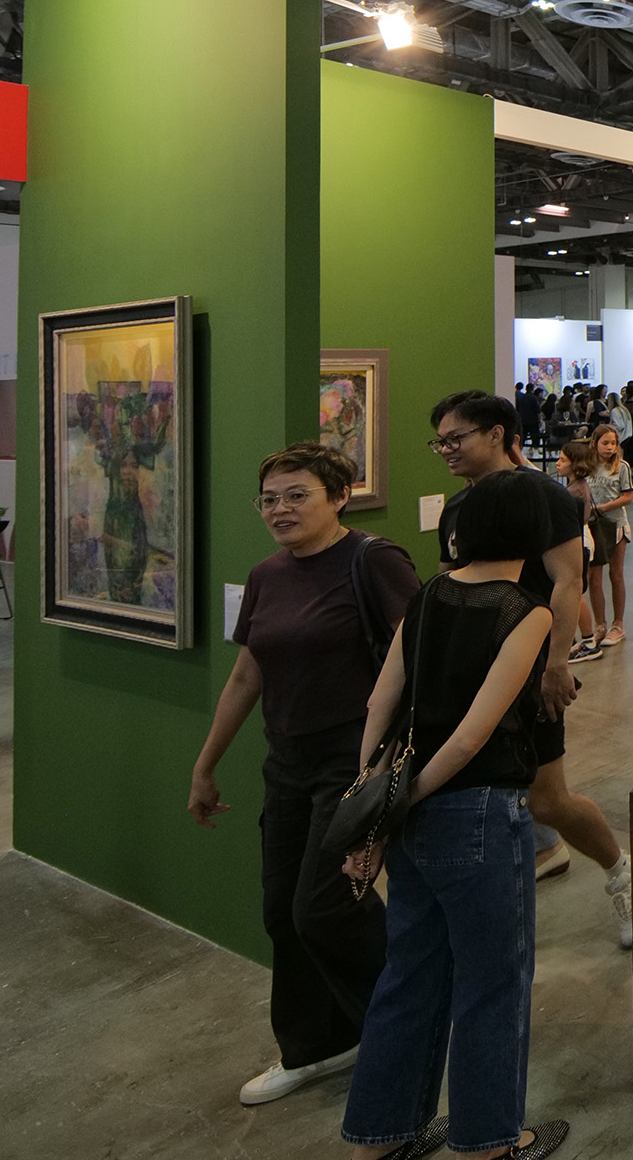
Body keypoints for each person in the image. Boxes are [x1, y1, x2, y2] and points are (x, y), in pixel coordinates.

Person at [339, 470, 570, 1160]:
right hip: (479, 811)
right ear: (533, 533)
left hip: (411, 819)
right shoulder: (527, 611)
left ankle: (381, 1139)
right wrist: (412, 796)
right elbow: (473, 737)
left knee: (409, 972)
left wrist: (378, 801)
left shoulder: (429, 594)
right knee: (494, 981)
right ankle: (488, 1142)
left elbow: (379, 704)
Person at [188, 443, 420, 1108]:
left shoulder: (373, 560)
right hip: (286, 763)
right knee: (281, 912)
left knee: (325, 907)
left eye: (297, 495)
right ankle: (315, 1044)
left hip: (352, 761)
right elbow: (247, 675)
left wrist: (385, 766)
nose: (279, 509)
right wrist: (205, 763)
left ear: (340, 496)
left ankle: (408, 1019)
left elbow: (420, 657)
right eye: (269, 499)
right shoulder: (267, 575)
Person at [427, 392, 630, 948]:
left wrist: (557, 663)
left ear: (496, 434)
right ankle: (539, 856)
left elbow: (567, 581)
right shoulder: (457, 507)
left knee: (547, 798)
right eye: (440, 442)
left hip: (532, 668)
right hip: (475, 672)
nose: (447, 450)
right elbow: (447, 585)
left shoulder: (545, 497)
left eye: (456, 438)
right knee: (490, 790)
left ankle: (621, 872)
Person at [586, 422, 633, 650]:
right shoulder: (588, 466)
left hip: (616, 526)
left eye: (613, 443)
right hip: (594, 527)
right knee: (594, 576)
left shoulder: (621, 467)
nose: (609, 447)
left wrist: (603, 508)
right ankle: (599, 625)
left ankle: (618, 624)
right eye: (605, 443)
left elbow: (627, 497)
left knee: (616, 574)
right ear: (595, 444)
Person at [555, 438, 605, 663]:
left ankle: (588, 641)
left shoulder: (575, 491)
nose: (558, 463)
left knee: (574, 593)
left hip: (579, 540)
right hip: (580, 537)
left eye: (562, 460)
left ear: (574, 465)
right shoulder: (576, 486)